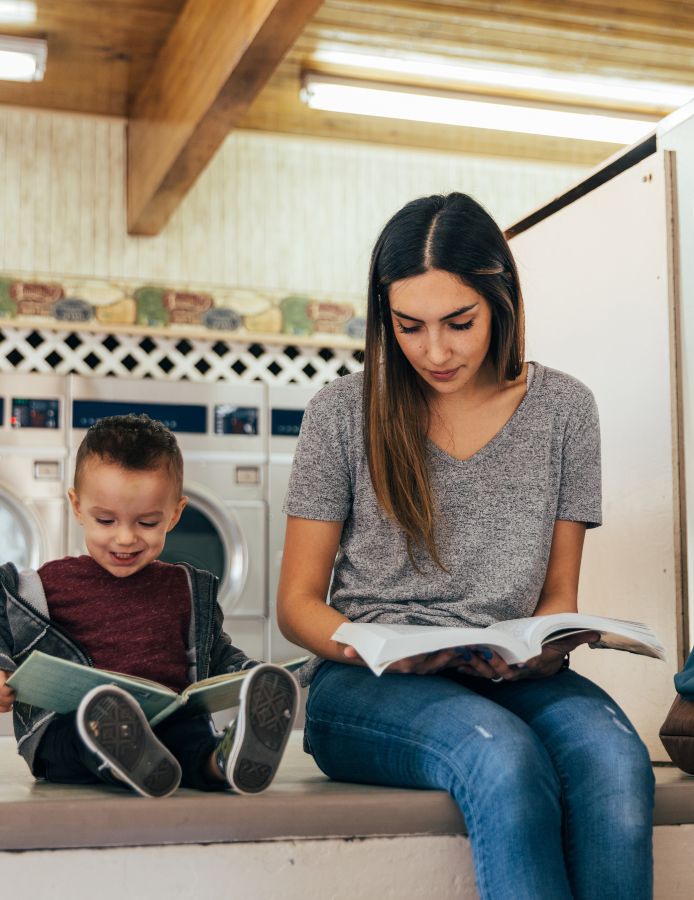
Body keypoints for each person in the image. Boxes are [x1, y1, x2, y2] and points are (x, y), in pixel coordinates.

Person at [276, 193, 655, 900]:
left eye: (459, 322)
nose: (436, 351)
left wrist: (544, 646)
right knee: (502, 760)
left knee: (616, 760)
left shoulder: (566, 410)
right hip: (366, 684)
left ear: (501, 300)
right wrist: (379, 644)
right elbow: (297, 606)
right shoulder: (339, 413)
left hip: (505, 676)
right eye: (409, 326)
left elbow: (557, 597)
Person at [0, 414, 298, 798]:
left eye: (146, 522)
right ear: (76, 506)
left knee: (190, 740)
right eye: (105, 520)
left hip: (165, 721)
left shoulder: (182, 587)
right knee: (80, 732)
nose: (125, 538)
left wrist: (250, 676)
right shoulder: (45, 585)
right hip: (69, 726)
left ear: (174, 513)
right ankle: (120, 753)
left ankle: (224, 761)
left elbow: (217, 653)